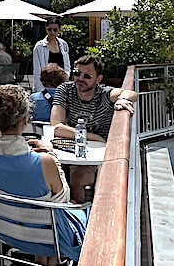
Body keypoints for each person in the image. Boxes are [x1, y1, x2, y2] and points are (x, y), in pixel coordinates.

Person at [0, 85, 87, 266]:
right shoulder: (43, 162)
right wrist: (51, 155)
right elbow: (62, 201)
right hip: (49, 237)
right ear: (25, 120)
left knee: (35, 209)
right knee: (68, 213)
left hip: (8, 234)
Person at [50, 53, 137, 197]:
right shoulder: (65, 90)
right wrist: (93, 137)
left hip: (98, 155)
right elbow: (57, 127)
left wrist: (122, 99)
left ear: (98, 79)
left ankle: (78, 210)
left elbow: (132, 93)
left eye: (87, 76)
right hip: (70, 149)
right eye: (77, 74)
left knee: (77, 178)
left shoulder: (104, 94)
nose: (80, 79)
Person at [32, 18, 71, 90]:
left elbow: (67, 65)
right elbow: (37, 70)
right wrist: (41, 90)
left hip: (61, 85)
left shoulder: (63, 44)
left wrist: (66, 78)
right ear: (45, 29)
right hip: (46, 86)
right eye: (49, 29)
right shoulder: (39, 46)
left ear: (59, 30)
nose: (52, 32)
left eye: (55, 30)